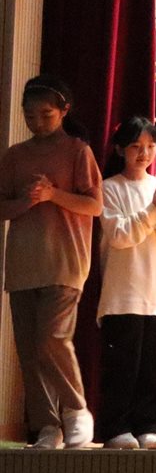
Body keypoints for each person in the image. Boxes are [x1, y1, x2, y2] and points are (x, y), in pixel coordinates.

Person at [0, 75, 102, 450]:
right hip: (24, 264)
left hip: (65, 261)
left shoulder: (77, 151)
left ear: (63, 111)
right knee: (29, 351)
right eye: (30, 115)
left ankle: (76, 410)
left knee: (51, 338)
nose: (38, 122)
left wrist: (52, 194)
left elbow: (94, 205)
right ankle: (47, 425)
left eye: (46, 114)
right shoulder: (15, 155)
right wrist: (27, 201)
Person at [96, 116, 156, 449]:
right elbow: (120, 236)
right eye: (136, 146)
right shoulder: (109, 188)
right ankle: (116, 428)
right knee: (123, 366)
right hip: (122, 295)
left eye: (150, 146)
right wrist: (153, 212)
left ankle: (150, 427)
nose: (144, 153)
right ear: (121, 150)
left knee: (153, 368)